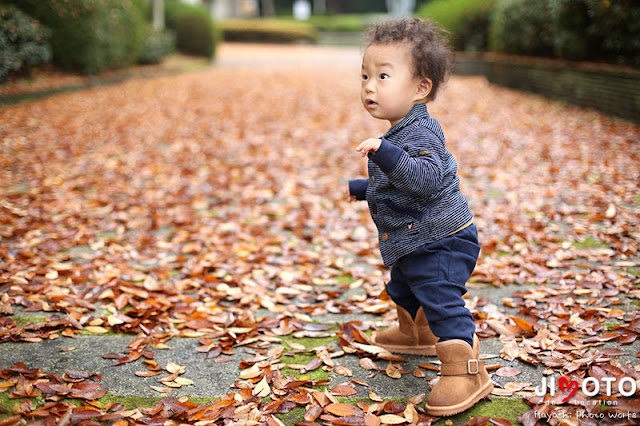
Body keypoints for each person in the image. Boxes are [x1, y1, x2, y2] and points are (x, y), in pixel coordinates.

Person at [347, 18, 493, 416]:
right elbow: (400, 186)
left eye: (382, 75)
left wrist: (385, 153)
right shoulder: (398, 131)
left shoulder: (419, 134)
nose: (369, 86)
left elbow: (425, 180)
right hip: (416, 238)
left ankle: (467, 369)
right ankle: (415, 331)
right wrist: (361, 190)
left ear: (419, 88)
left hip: (443, 239)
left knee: (441, 296)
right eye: (364, 75)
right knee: (407, 283)